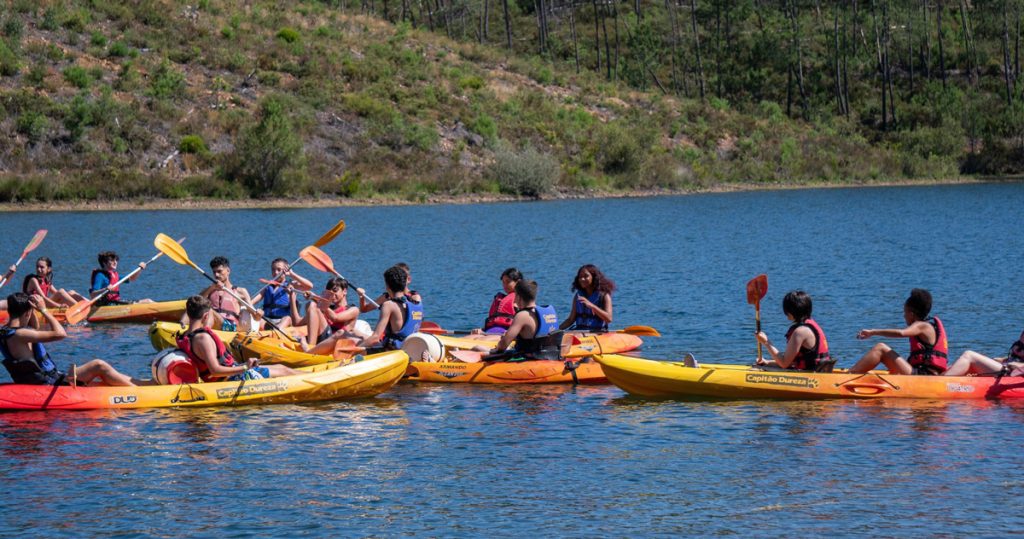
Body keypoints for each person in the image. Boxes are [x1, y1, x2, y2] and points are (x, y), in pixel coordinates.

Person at [0, 292, 138, 386]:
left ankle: (141, 384)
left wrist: (31, 309)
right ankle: (137, 392)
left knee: (101, 372)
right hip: (50, 383)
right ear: (27, 313)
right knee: (98, 365)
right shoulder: (21, 335)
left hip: (44, 379)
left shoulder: (6, 332)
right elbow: (61, 333)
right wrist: (44, 310)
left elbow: (34, 329)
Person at [176, 295, 298, 381]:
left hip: (229, 374)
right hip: (230, 379)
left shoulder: (185, 336)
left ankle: (315, 375)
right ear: (206, 315)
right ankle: (316, 381)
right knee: (284, 371)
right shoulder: (203, 338)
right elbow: (215, 370)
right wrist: (245, 367)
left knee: (281, 368)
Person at [849, 288, 948, 375]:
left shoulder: (922, 326)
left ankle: (850, 374)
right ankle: (854, 371)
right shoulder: (928, 325)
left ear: (912, 314)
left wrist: (873, 332)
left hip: (923, 375)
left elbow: (901, 333)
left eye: (905, 312)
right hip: (923, 372)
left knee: (881, 348)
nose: (904, 316)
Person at [475, 280, 561, 360]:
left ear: (519, 297)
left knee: (477, 348)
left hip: (526, 358)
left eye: (515, 296)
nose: (514, 300)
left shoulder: (522, 315)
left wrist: (497, 348)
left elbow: (503, 345)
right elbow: (535, 336)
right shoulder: (548, 312)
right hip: (549, 355)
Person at [755, 290, 833, 371]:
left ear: (790, 312)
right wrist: (768, 363)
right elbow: (791, 361)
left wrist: (766, 342)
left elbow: (784, 363)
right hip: (819, 371)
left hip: (811, 377)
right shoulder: (812, 325)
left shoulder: (800, 332)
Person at [358, 266, 423, 350]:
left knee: (353, 339)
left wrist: (353, 351)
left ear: (387, 286)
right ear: (405, 282)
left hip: (393, 351)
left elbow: (375, 337)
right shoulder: (416, 301)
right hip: (411, 346)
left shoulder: (388, 305)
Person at [293, 277, 363, 355]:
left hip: (335, 343)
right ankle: (311, 346)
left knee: (313, 304)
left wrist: (316, 298)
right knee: (310, 304)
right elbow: (297, 322)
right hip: (322, 340)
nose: (332, 294)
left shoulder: (353, 309)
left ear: (345, 291)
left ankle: (310, 348)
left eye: (335, 290)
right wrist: (292, 296)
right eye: (329, 292)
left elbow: (335, 318)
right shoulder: (326, 309)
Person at [250, 257, 313, 329]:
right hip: (267, 320)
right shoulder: (267, 287)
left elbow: (309, 286)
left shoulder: (291, 285)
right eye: (273, 270)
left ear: (285, 271)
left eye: (279, 270)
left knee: (287, 319)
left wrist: (292, 274)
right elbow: (251, 302)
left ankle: (277, 332)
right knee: (257, 318)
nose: (275, 272)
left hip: (283, 320)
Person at [197, 256, 252, 332]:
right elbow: (196, 303)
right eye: (214, 272)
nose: (216, 275)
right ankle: (183, 328)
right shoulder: (209, 290)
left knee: (210, 311)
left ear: (228, 271)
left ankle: (204, 334)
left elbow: (255, 316)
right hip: (213, 325)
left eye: (219, 271)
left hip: (230, 327)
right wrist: (211, 288)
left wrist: (258, 313)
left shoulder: (240, 291)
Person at [943, 328, 1024, 377]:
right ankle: (939, 377)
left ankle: (940, 382)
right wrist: (1003, 360)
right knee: (970, 362)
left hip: (1009, 373)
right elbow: (1016, 358)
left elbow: (1019, 364)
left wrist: (1019, 366)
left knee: (969, 355)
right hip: (1004, 368)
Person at [560, 264, 615, 332]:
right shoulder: (578, 296)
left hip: (597, 332)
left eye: (586, 276)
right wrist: (556, 330)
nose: (582, 279)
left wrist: (591, 306)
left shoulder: (604, 296)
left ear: (594, 277)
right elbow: (571, 320)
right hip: (580, 332)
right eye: (580, 277)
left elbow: (609, 319)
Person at [473, 268, 522, 335]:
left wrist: (511, 333)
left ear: (518, 282)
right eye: (503, 282)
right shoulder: (500, 299)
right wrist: (481, 330)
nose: (505, 285)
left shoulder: (521, 300)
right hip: (490, 331)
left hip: (505, 333)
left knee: (481, 341)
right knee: (471, 337)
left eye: (508, 282)